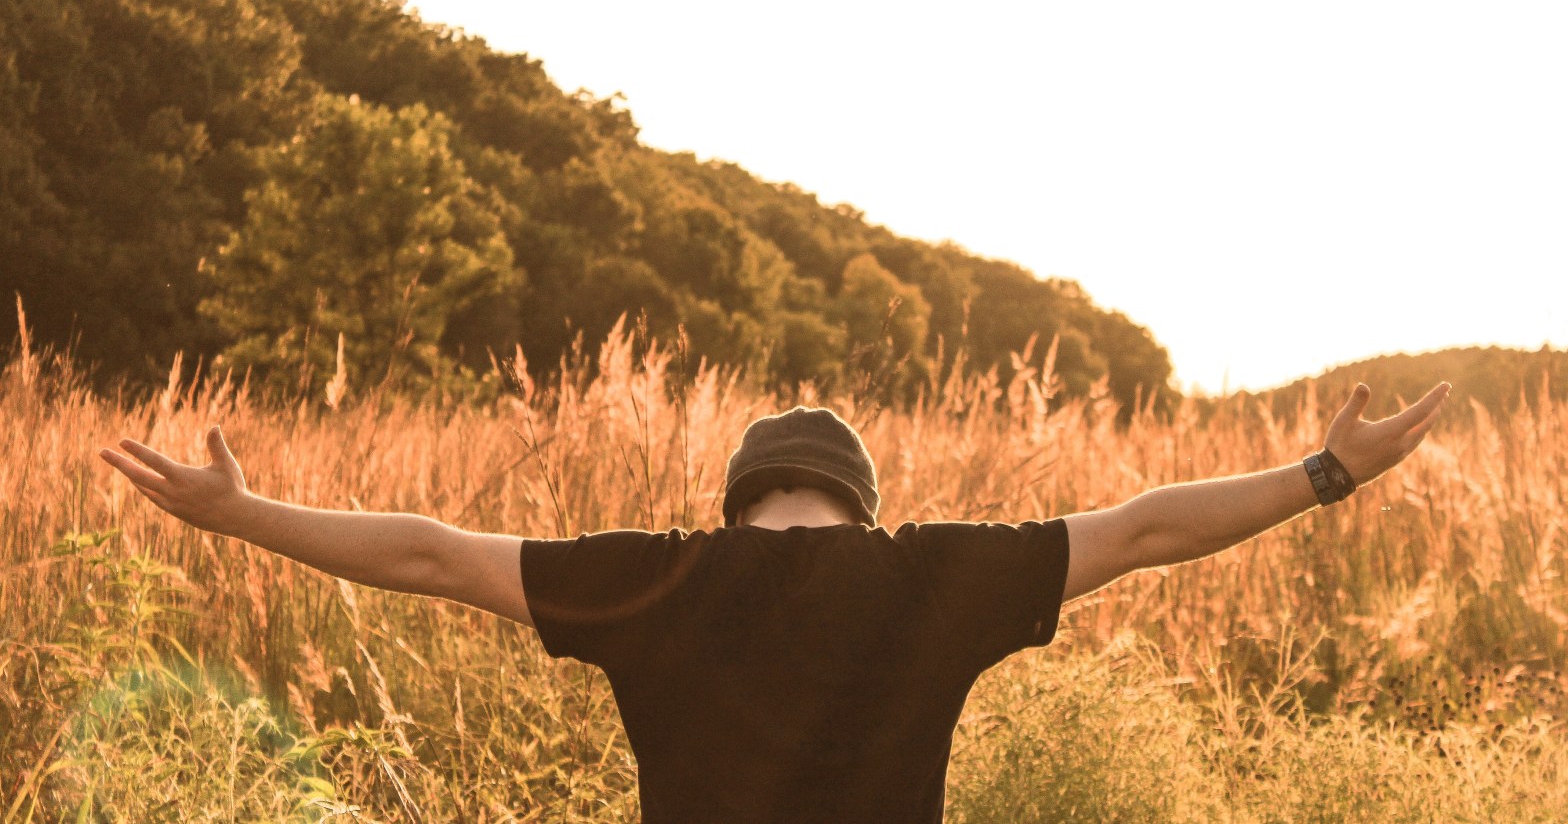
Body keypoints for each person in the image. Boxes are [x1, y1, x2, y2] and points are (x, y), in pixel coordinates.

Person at [99, 380, 1449, 823]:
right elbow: (1153, 523)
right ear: (856, 500)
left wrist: (242, 512)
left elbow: (435, 552)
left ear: (739, 496)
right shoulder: (931, 573)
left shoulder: (656, 575)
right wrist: (1328, 468)